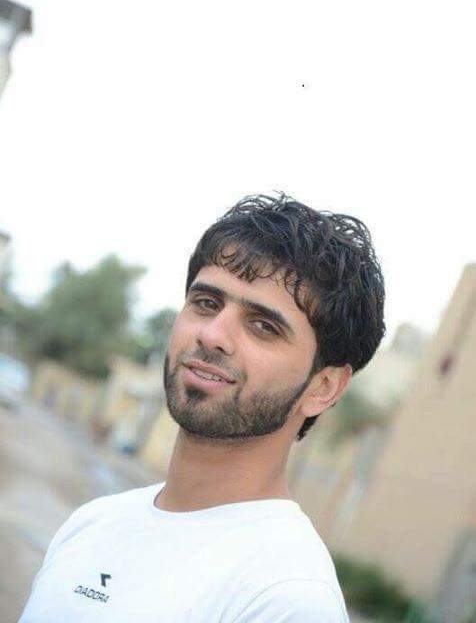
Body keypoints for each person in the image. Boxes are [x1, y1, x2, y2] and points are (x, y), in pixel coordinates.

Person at [19, 192, 385, 622]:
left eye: (263, 326)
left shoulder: (287, 597)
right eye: (207, 303)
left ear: (323, 387)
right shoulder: (93, 522)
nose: (212, 335)